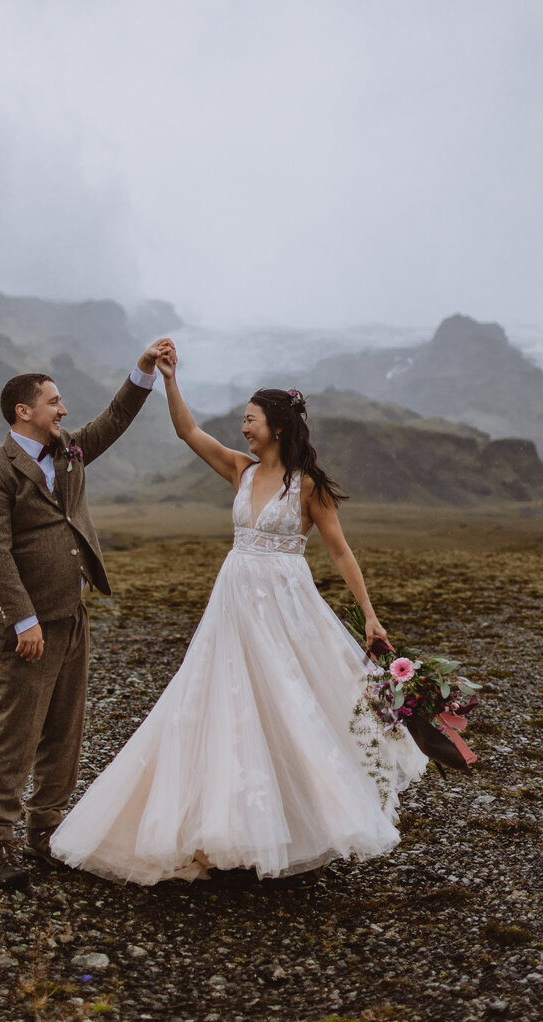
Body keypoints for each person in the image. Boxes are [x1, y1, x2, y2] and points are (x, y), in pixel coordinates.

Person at [50, 355, 426, 885]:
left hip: (286, 606)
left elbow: (340, 552)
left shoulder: (308, 485)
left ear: (277, 424)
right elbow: (186, 431)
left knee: (291, 703)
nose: (244, 426)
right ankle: (224, 828)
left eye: (252, 418)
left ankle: (300, 824)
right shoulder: (240, 469)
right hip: (234, 602)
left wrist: (369, 615)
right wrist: (171, 381)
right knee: (222, 702)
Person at [0, 339, 174, 888]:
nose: (63, 410)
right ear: (24, 411)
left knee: (65, 729)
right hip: (28, 627)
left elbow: (115, 418)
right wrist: (22, 619)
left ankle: (45, 831)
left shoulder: (69, 450)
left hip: (72, 614)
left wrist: (144, 369)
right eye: (54, 402)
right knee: (15, 732)